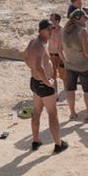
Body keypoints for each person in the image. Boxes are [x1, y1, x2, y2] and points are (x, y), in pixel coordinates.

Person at [24, 19, 66, 153]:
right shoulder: (40, 46)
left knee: (36, 111)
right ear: (42, 30)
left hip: (35, 83)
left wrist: (34, 71)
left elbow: (25, 57)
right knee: (52, 114)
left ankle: (35, 140)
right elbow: (39, 67)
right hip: (43, 84)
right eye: (49, 29)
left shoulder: (33, 42)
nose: (52, 31)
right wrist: (48, 81)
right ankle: (58, 144)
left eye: (53, 29)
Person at [62, 9, 88, 121]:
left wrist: (66, 60)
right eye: (85, 17)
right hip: (84, 66)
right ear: (78, 18)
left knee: (70, 89)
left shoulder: (64, 30)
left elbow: (60, 48)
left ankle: (72, 113)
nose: (86, 19)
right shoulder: (82, 31)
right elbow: (87, 52)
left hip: (70, 65)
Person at [47, 13, 65, 83]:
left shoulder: (62, 31)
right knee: (52, 76)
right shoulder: (49, 30)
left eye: (52, 20)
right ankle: (55, 92)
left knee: (63, 76)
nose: (50, 21)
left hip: (60, 56)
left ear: (57, 21)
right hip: (51, 55)